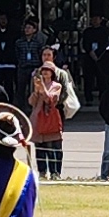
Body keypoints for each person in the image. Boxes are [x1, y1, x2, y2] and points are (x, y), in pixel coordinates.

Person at [28, 48, 76, 180]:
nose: (44, 73)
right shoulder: (35, 77)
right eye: (44, 54)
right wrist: (36, 91)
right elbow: (31, 100)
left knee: (54, 145)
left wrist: (44, 91)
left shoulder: (58, 80)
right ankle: (42, 171)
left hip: (53, 113)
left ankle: (55, 172)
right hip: (38, 115)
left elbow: (58, 96)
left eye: (49, 54)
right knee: (39, 145)